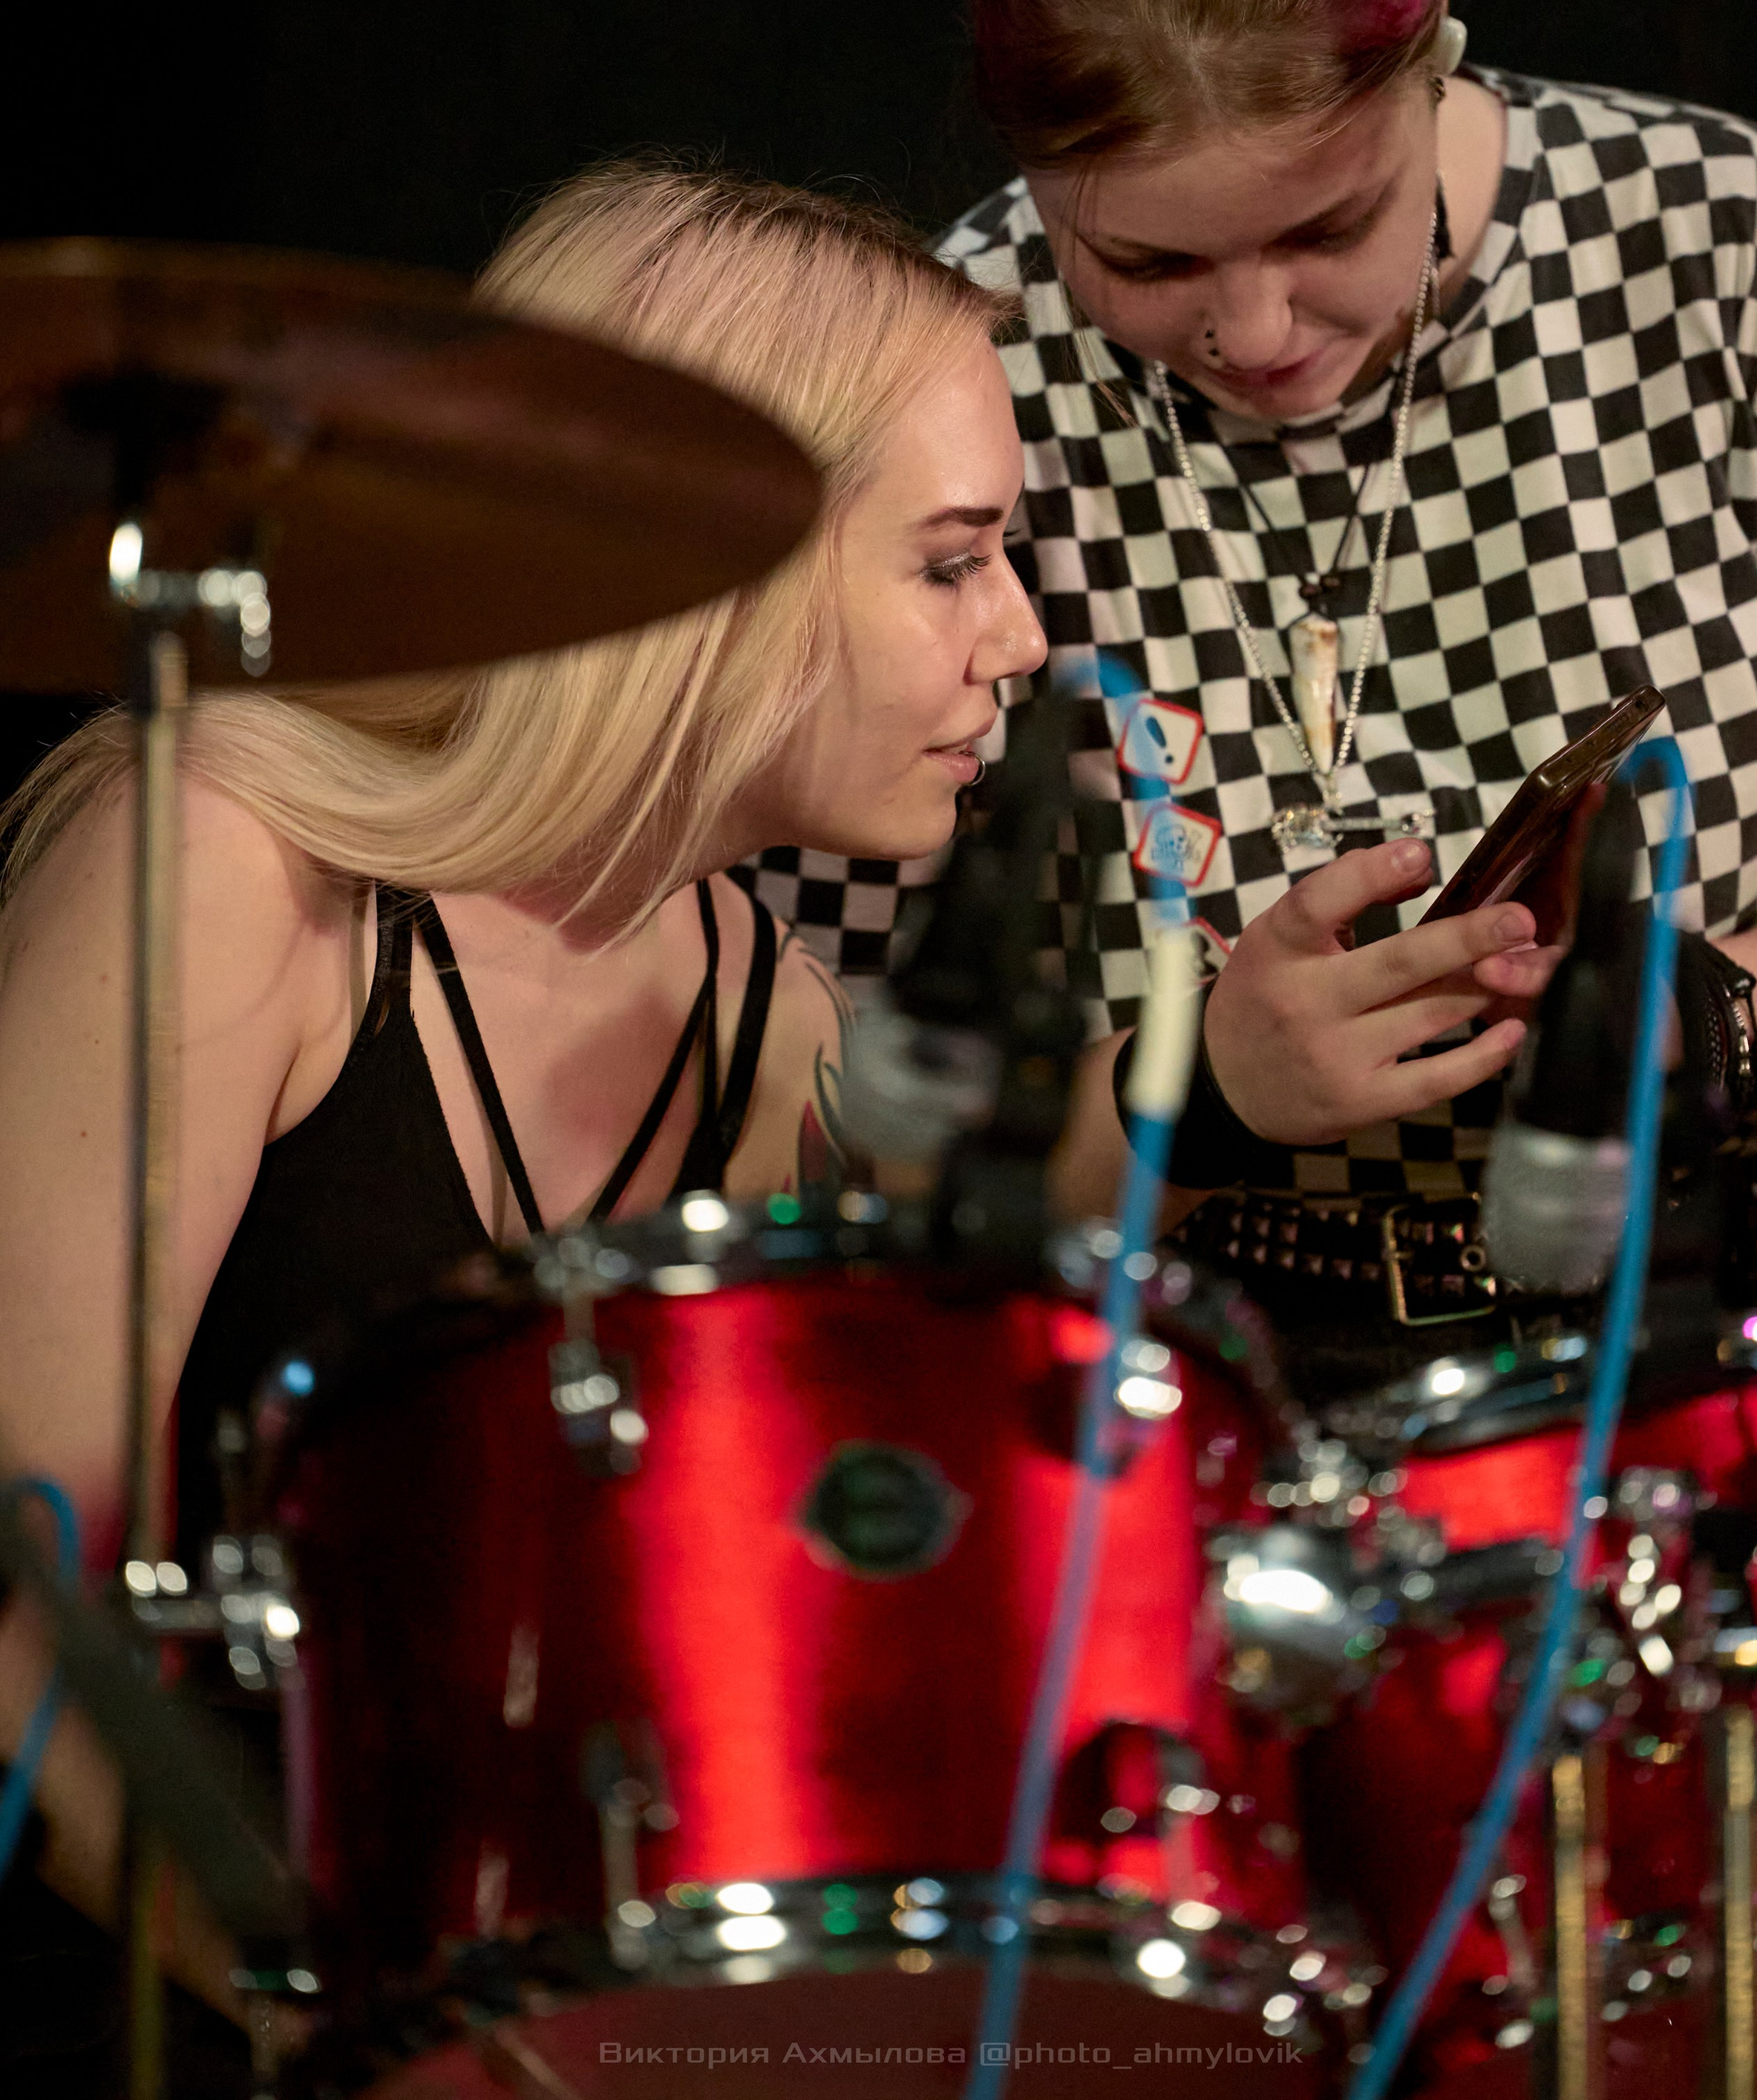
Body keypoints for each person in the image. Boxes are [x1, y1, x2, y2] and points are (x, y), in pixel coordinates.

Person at [747, 0, 1757, 1363]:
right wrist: (1199, 1083)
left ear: (1430, 49)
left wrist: (1676, 1021)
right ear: (1026, 173)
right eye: (1144, 260)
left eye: (1326, 227)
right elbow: (822, 1075)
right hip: (1185, 1395)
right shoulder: (953, 362)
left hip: (1723, 1353)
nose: (1259, 331)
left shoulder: (1728, 250)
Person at [0, 166, 1044, 2049]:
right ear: (716, 554)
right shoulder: (230, 863)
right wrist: (341, 2028)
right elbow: (20, 1606)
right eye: (953, 560)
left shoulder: (771, 1017)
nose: (1022, 638)